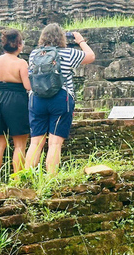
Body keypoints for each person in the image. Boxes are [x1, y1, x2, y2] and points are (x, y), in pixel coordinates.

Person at [25, 23, 95, 174]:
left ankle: (26, 179)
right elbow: (91, 56)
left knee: (36, 142)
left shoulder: (34, 54)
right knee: (55, 143)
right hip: (60, 98)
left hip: (37, 99)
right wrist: (81, 41)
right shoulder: (68, 53)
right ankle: (51, 180)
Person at [0, 29, 31, 193]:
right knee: (19, 145)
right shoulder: (21, 63)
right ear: (18, 44)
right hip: (17, 100)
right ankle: (17, 181)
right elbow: (28, 86)